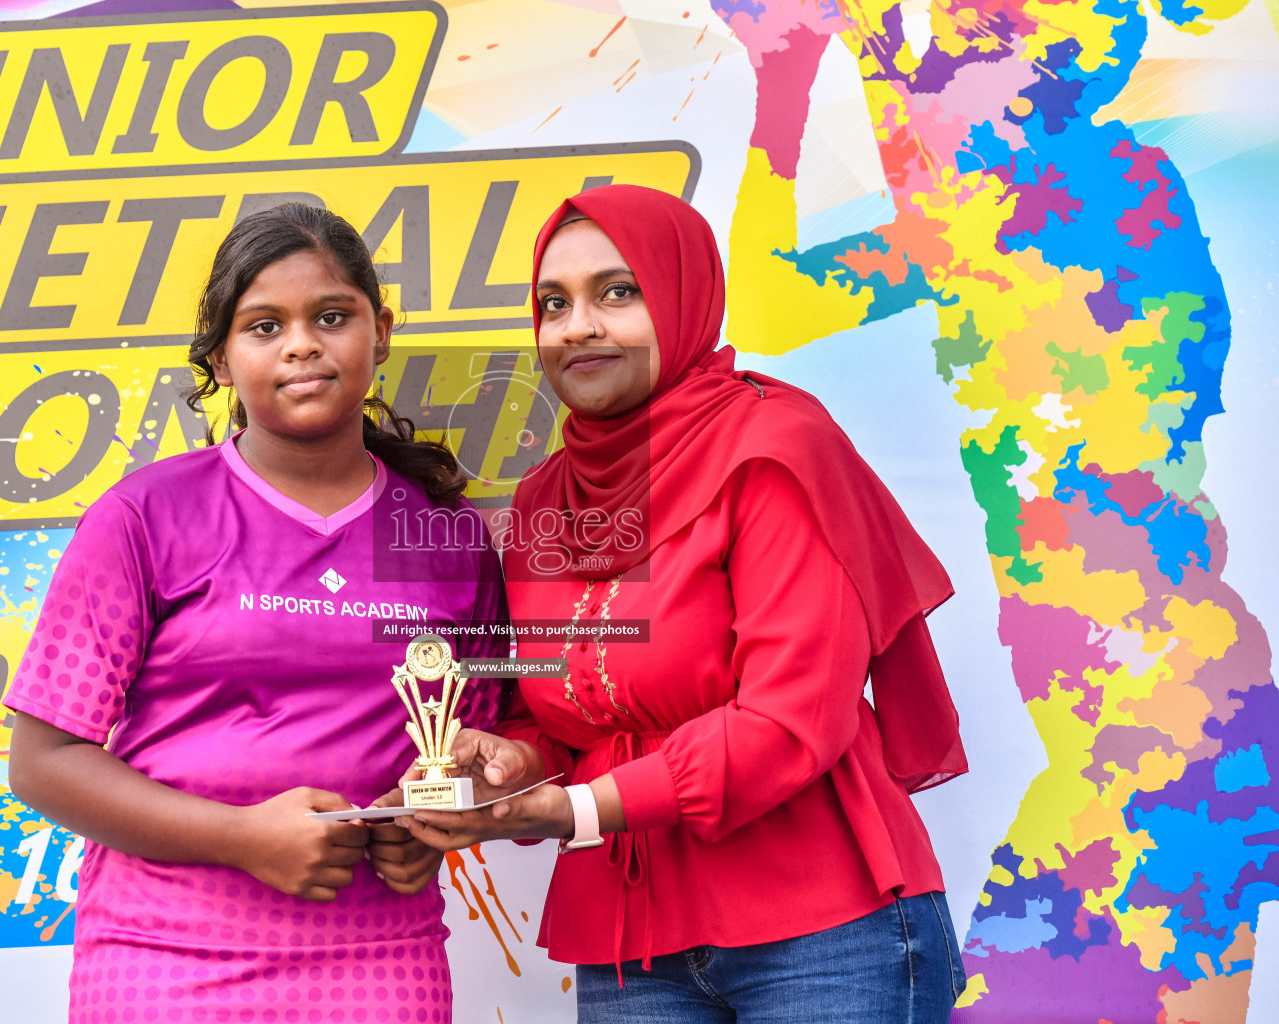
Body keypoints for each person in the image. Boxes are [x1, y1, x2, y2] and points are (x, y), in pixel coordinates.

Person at [401, 185, 970, 1022]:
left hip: (824, 930)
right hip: (632, 945)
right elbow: (558, 718)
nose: (577, 326)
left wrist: (578, 808)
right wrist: (512, 767)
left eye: (617, 293)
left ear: (683, 296)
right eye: (553, 303)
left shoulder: (772, 450)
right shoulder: (542, 501)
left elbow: (790, 719)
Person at [3, 204, 508, 1024]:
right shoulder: (144, 517)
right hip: (163, 956)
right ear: (221, 359)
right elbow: (44, 762)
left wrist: (436, 822)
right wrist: (244, 838)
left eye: (331, 317)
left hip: (378, 959)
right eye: (264, 326)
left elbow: (473, 753)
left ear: (379, 333)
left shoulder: (446, 538)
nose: (302, 344)